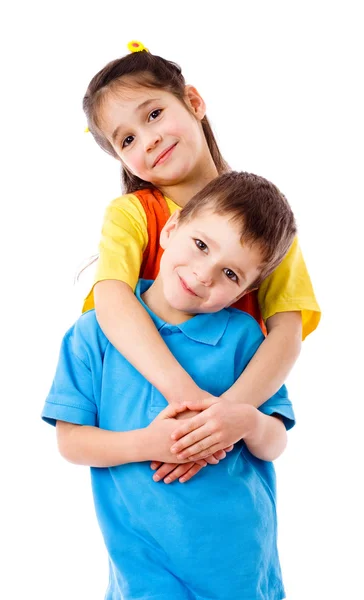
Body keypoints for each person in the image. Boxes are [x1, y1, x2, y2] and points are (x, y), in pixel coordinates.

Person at [43, 171, 297, 599]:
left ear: (245, 290)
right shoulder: (94, 334)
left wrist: (248, 422)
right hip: (144, 565)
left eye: (230, 274)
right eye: (200, 245)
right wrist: (151, 444)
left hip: (239, 562)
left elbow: (274, 442)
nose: (203, 275)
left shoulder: (245, 339)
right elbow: (71, 443)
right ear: (172, 229)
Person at [81, 41, 320, 483]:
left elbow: (287, 332)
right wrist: (188, 399)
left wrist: (226, 418)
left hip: (229, 455)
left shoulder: (264, 220)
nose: (149, 139)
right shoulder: (134, 214)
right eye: (127, 139)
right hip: (149, 432)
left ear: (193, 102)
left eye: (153, 114)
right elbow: (110, 299)